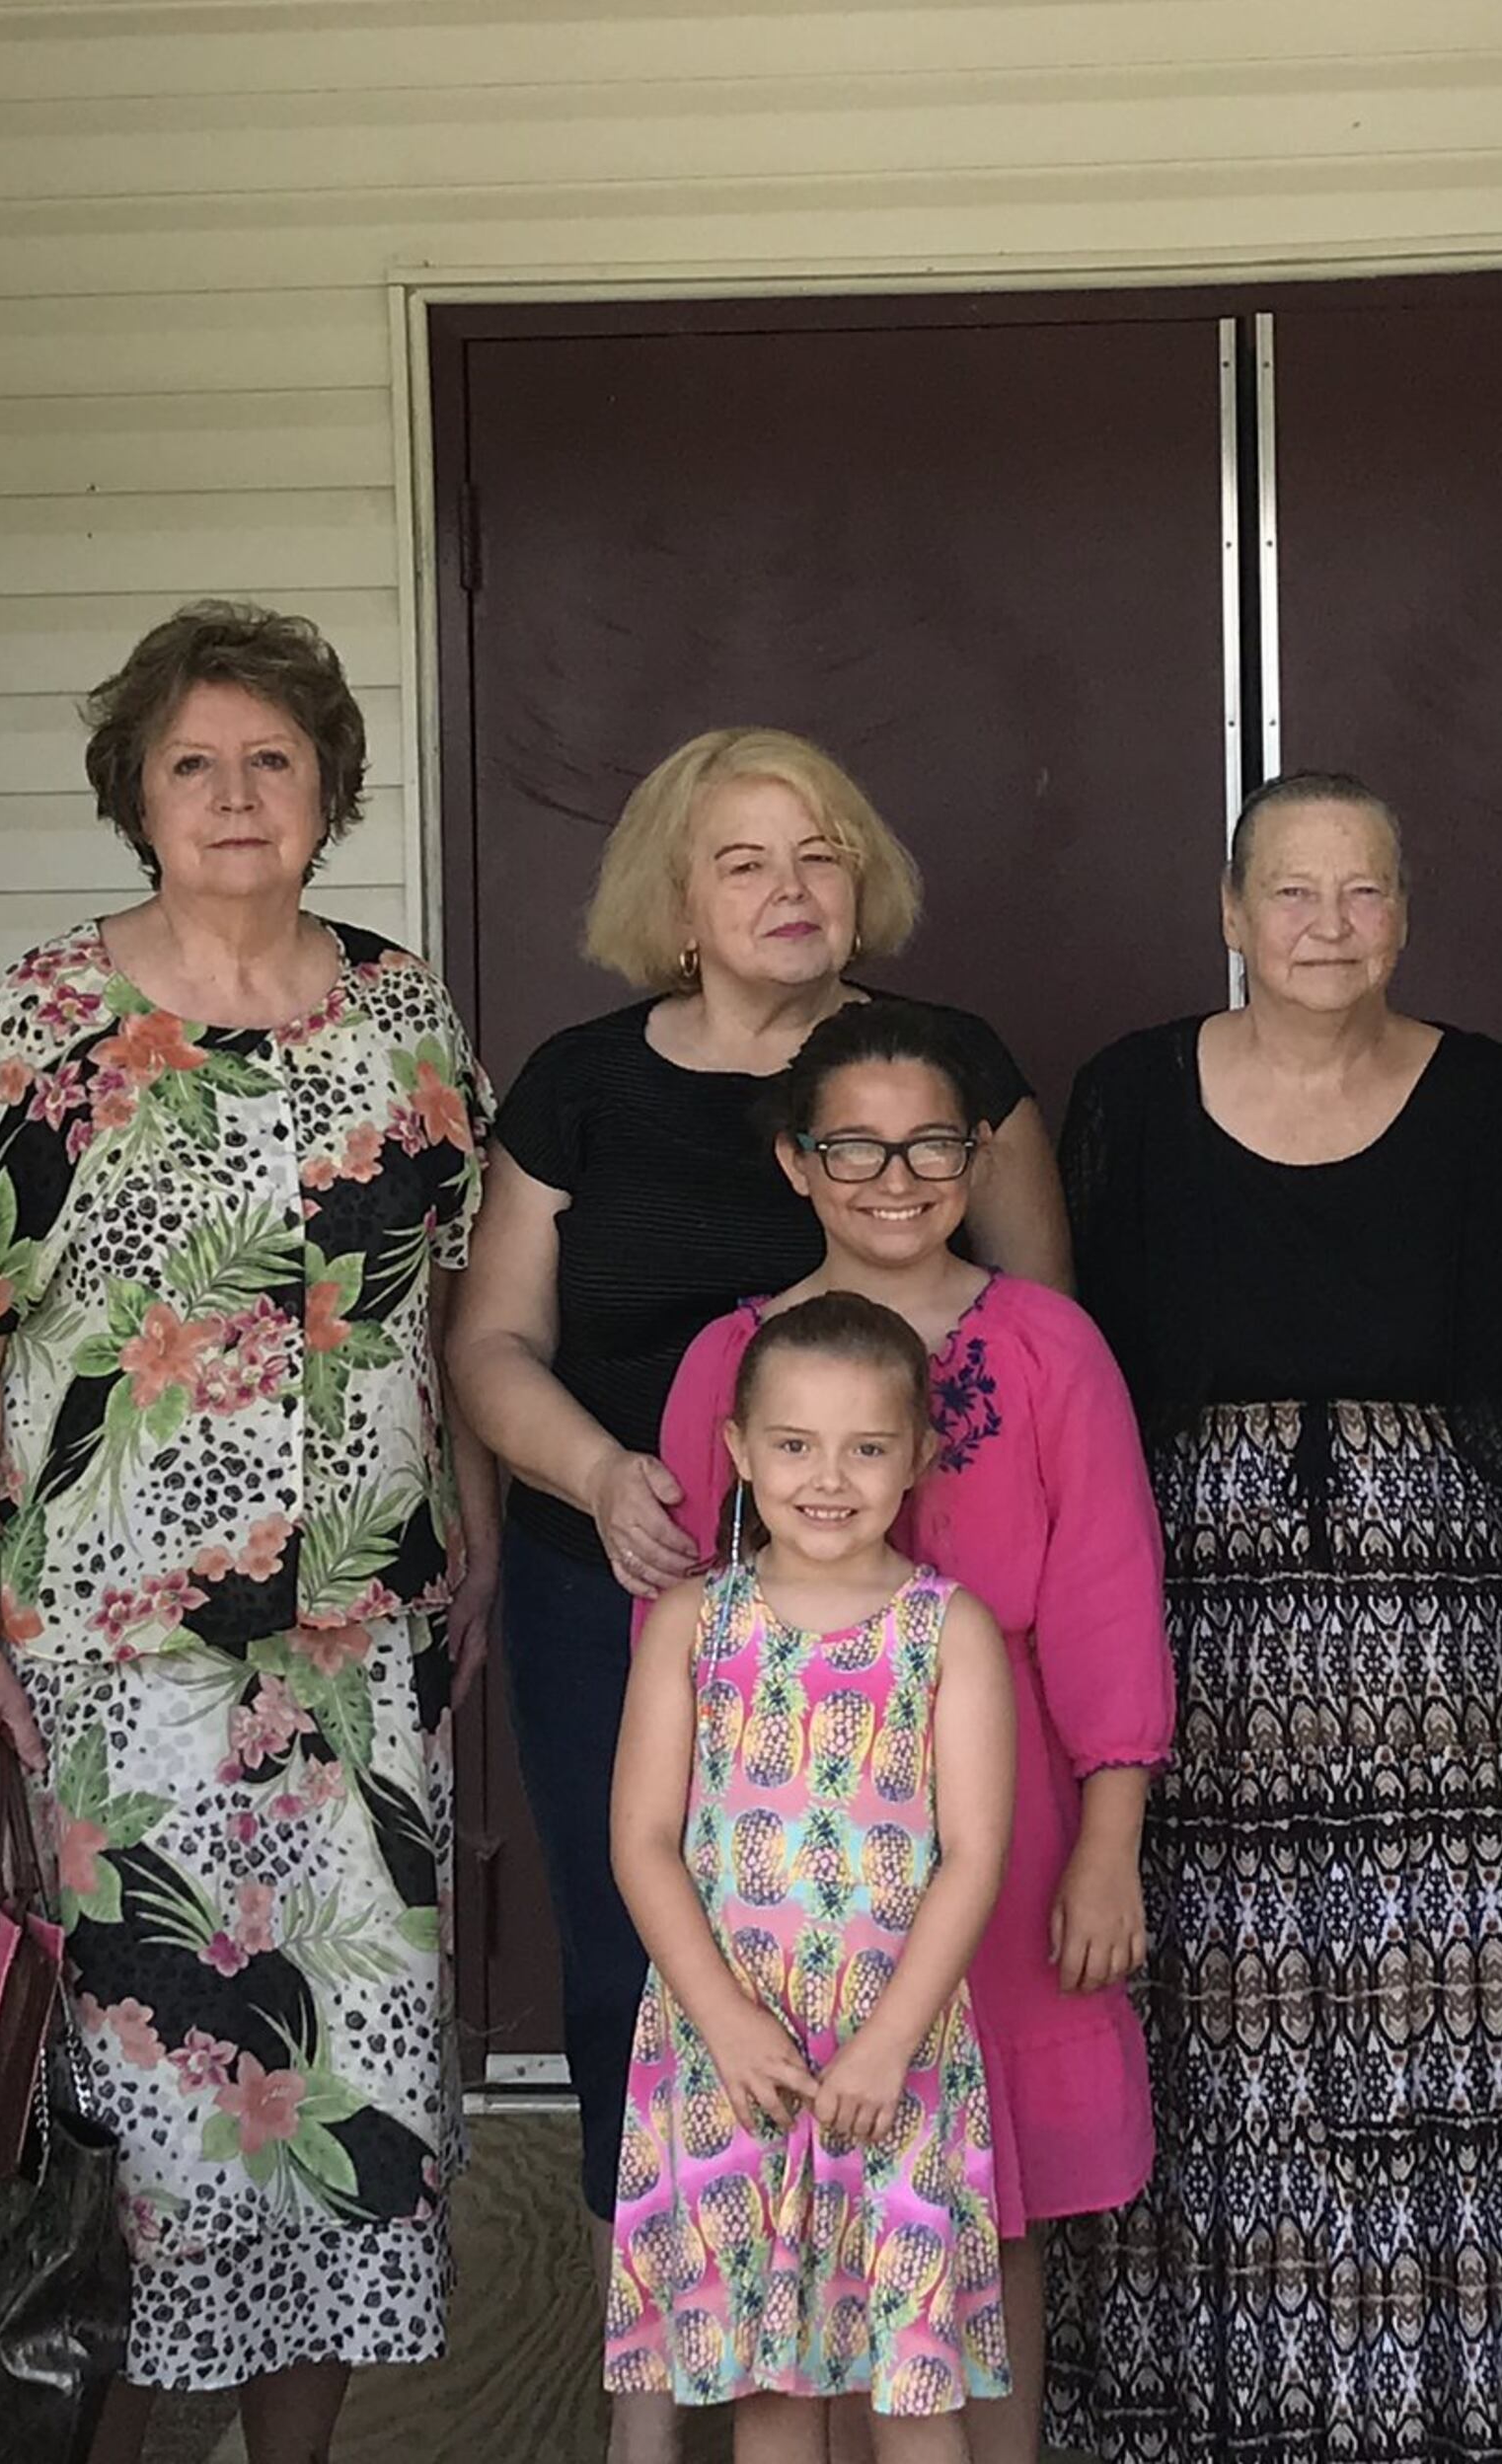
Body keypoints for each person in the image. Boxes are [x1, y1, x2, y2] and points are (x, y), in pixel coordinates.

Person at [0, 602, 492, 2464]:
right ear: (136, 799)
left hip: (360, 1664)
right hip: (114, 1667)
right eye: (194, 764)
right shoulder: (51, 1021)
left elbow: (455, 1303)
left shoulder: (402, 1009)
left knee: (337, 2102)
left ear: (328, 795)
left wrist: (460, 1518)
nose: (237, 797)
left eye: (274, 763)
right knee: (148, 2126)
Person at [442, 730, 1066, 2464]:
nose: (791, 892)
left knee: (914, 1989)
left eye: (820, 856)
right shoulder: (581, 1082)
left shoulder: (940, 1067)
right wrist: (599, 1475)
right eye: (745, 862)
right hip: (635, 1589)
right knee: (633, 1986)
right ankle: (657, 2400)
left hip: (896, 1620)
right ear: (676, 895)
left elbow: (1031, 1330)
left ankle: (896, 2375)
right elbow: (489, 1341)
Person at [1054, 772, 1502, 2464]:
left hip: (1477, 1666)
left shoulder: (1499, 1108)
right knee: (1220, 2035)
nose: (1331, 926)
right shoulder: (1125, 1102)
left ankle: (1461, 2413)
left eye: (1366, 892)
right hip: (1202, 1658)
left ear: (1407, 912)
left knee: (1453, 2033)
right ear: (1235, 917)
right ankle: (1222, 2417)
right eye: (1294, 894)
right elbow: (1052, 1381)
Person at [651, 1002, 1177, 2464]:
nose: (897, 1174)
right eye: (856, 1145)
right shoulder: (734, 1362)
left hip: (994, 1843)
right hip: (778, 1874)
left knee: (979, 2196)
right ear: (796, 1163)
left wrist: (1112, 1844)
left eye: (933, 1141)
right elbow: (684, 1641)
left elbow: (1106, 1599)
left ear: (977, 1153)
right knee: (792, 2222)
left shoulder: (1049, 1344)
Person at [604, 1291, 1017, 2452]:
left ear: (918, 1458)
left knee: (911, 2387)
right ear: (738, 1450)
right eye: (792, 1444)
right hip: (724, 2048)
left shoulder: (950, 1633)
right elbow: (640, 1842)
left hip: (899, 2053)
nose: (826, 1478)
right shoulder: (693, 1626)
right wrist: (726, 2023)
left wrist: (888, 2043)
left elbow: (974, 1854)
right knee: (769, 2390)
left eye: (866, 1447)